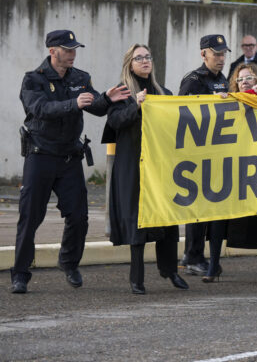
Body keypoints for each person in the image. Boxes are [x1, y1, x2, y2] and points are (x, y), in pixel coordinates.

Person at [11, 29, 130, 294]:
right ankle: (20, 273)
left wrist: (108, 99)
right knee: (30, 218)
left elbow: (95, 107)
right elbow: (39, 109)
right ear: (52, 51)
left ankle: (68, 262)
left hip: (68, 158)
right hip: (40, 156)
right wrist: (73, 103)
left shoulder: (80, 77)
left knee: (79, 216)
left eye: (75, 49)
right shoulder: (34, 79)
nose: (73, 54)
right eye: (67, 49)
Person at [103, 44, 188, 294]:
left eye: (148, 57)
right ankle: (136, 278)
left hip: (161, 165)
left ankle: (170, 270)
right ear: (130, 63)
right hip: (132, 165)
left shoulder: (165, 92)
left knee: (167, 216)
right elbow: (115, 121)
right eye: (139, 58)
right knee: (137, 219)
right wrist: (135, 106)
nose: (145, 61)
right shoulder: (121, 93)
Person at [203, 62, 257, 283]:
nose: (244, 82)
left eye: (249, 78)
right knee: (220, 215)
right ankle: (213, 266)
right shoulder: (228, 102)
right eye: (240, 79)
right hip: (232, 167)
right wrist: (218, 105)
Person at [178, 34, 231, 276]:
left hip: (218, 151)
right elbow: (183, 114)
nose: (221, 59)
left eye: (223, 54)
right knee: (198, 208)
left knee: (212, 207)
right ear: (203, 54)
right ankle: (192, 256)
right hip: (197, 152)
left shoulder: (224, 80)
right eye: (216, 54)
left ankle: (205, 257)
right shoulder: (193, 80)